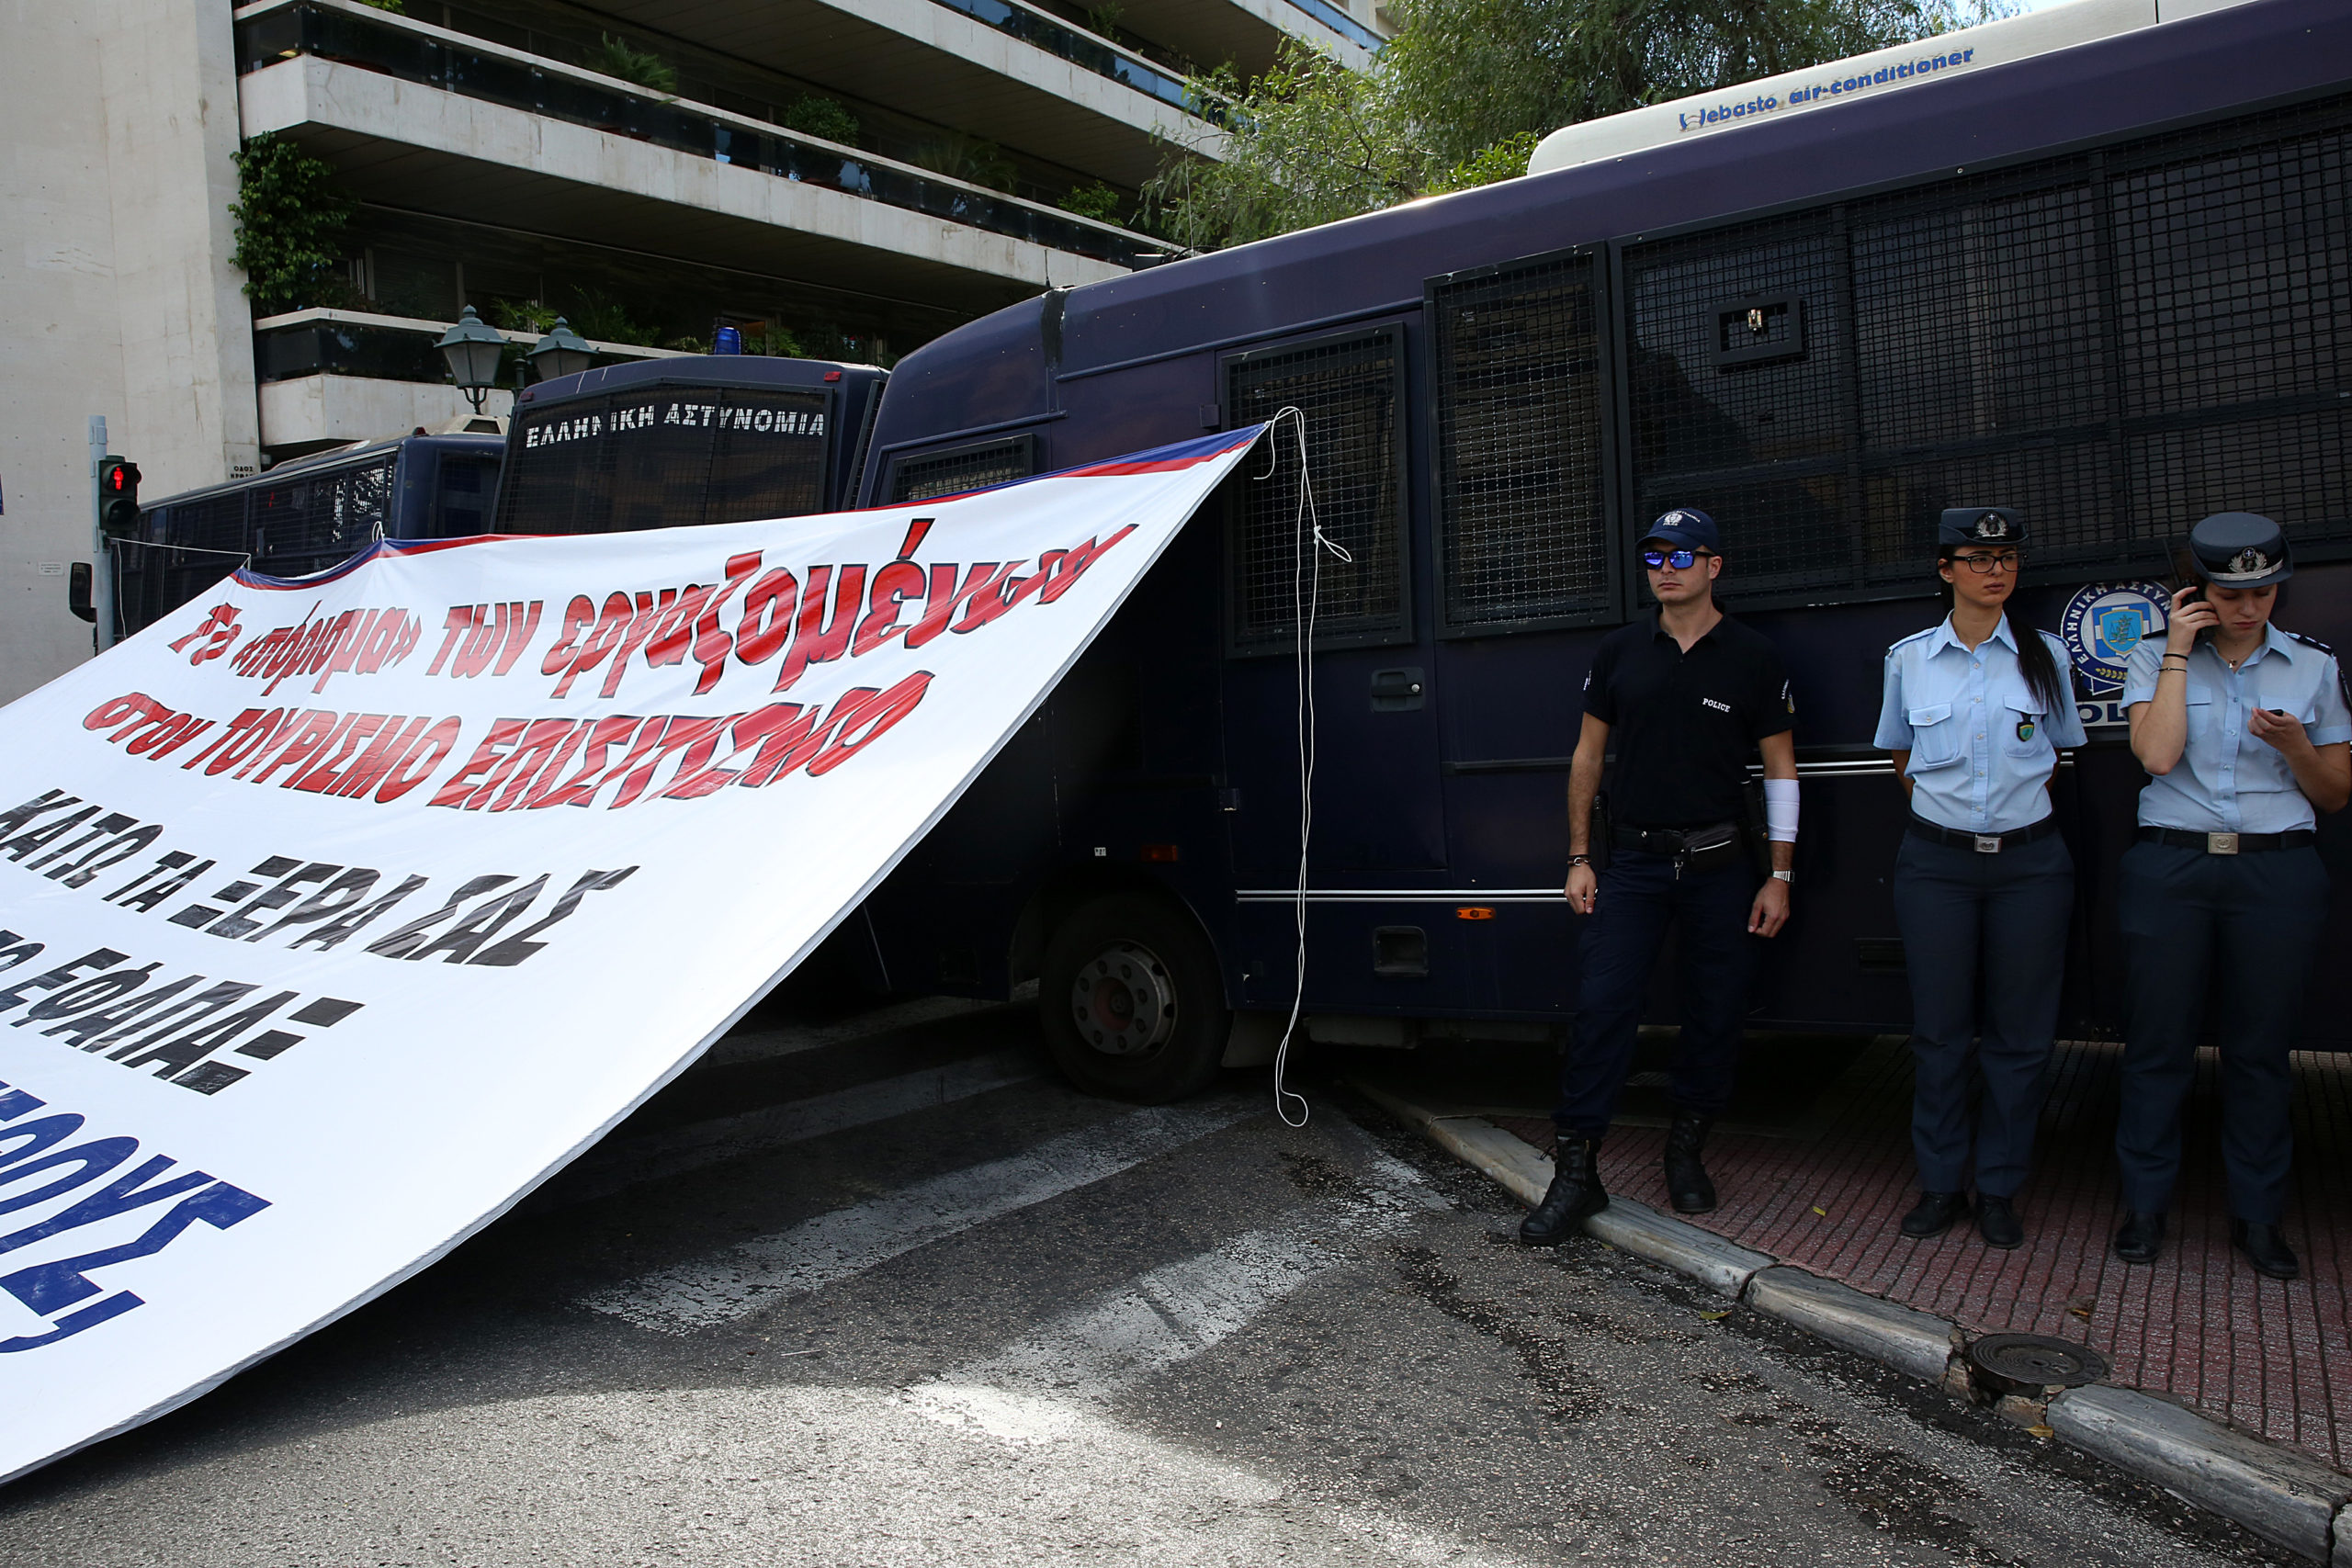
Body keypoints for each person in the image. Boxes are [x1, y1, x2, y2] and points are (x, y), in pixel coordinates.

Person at [1521, 508, 1798, 1244]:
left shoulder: (1753, 656)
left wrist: (1780, 874)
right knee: (1604, 1005)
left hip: (1722, 865)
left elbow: (1781, 768)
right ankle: (1576, 1172)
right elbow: (1587, 758)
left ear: (1714, 566)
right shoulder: (1619, 653)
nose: (1665, 566)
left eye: (1681, 554)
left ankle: (1687, 1151)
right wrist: (1580, 857)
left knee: (1714, 1011)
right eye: (1653, 555)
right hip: (1635, 865)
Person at [2111, 512, 2350, 1280]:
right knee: (2157, 1046)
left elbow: (2336, 793)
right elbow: (2157, 755)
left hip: (2274, 871)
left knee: (2260, 1052)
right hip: (2172, 868)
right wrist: (2179, 650)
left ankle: (2259, 1217)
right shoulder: (2153, 657)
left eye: (2264, 591)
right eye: (2231, 593)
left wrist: (2297, 748)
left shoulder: (2312, 667)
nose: (2250, 608)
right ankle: (2145, 1207)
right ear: (2199, 590)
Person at [1873, 507, 2086, 1249]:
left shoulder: (2045, 654)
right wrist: (1955, 820)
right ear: (1945, 569)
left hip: (2030, 864)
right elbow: (1899, 756)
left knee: (2020, 1037)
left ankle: (1998, 1186)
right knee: (1938, 1034)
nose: (1997, 569)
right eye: (1978, 556)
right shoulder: (1910, 658)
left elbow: (2059, 757)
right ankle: (1939, 1184)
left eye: (2007, 557)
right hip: (1936, 864)